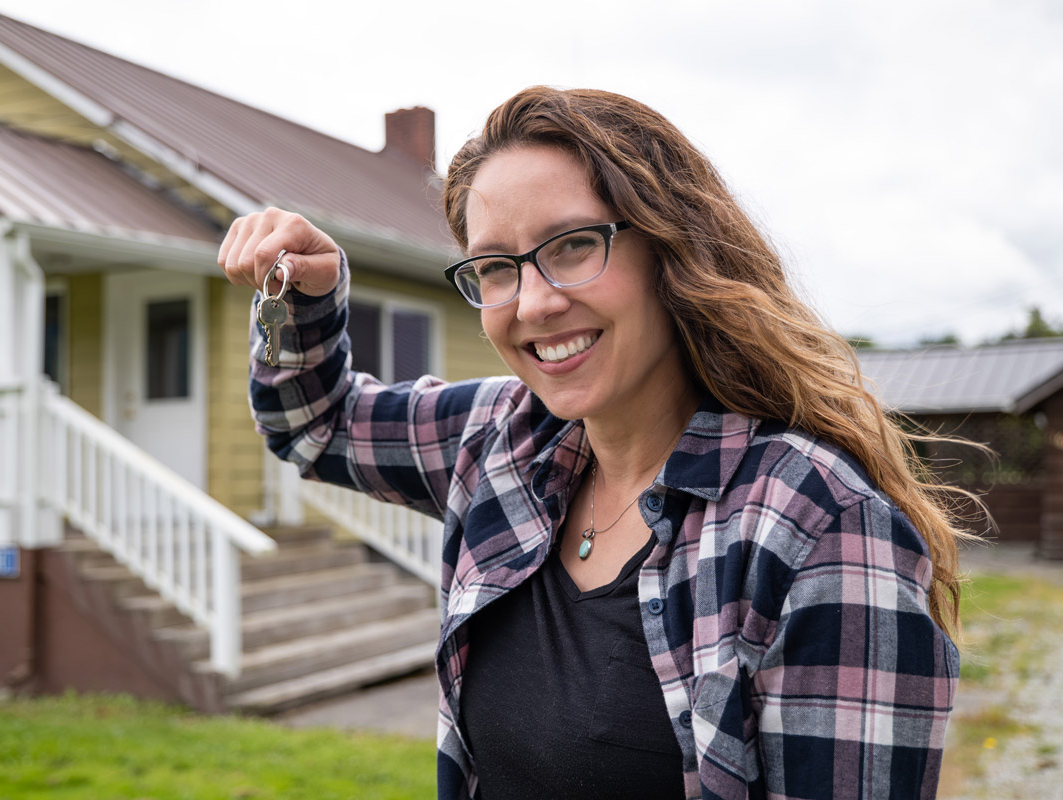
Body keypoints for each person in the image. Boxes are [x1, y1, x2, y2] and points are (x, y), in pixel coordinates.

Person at [219, 87, 967, 800]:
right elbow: (314, 426)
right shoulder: (504, 444)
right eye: (495, 267)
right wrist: (304, 299)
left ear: (673, 252)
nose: (535, 302)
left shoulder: (817, 525)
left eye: (573, 246)